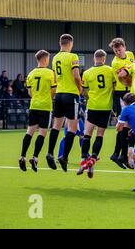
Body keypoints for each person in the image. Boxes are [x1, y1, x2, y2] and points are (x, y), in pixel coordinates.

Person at [46, 34, 82, 171]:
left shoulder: (55, 58)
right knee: (73, 128)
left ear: (60, 43)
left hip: (59, 94)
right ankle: (64, 156)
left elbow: (55, 77)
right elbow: (76, 75)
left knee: (56, 126)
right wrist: (79, 89)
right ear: (70, 43)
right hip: (71, 94)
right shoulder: (72, 56)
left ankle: (50, 152)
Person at [76, 49, 114, 178]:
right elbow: (114, 87)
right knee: (100, 135)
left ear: (94, 58)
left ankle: (83, 161)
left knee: (87, 135)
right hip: (105, 107)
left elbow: (84, 91)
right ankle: (93, 159)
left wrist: (91, 96)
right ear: (104, 59)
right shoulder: (110, 70)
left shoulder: (86, 73)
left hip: (92, 106)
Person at [19, 50, 56, 172]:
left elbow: (29, 92)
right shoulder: (51, 73)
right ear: (45, 59)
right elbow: (53, 91)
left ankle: (22, 156)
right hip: (45, 107)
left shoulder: (31, 74)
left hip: (33, 105)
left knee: (29, 131)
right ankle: (34, 157)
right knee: (42, 133)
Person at [109, 37, 135, 169]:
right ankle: (121, 155)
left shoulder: (130, 55)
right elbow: (126, 80)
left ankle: (119, 154)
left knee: (127, 126)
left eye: (119, 50)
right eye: (115, 51)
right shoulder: (115, 63)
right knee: (123, 126)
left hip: (130, 94)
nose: (118, 52)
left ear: (124, 47)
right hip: (122, 95)